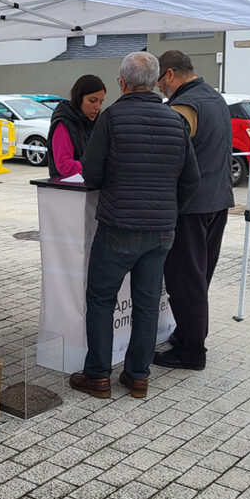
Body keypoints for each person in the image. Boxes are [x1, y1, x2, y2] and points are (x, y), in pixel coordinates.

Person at [70, 52, 199, 400]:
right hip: (160, 232)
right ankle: (138, 376)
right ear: (156, 82)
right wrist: (169, 210)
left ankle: (97, 375)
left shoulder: (111, 118)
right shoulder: (175, 121)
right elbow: (191, 180)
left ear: (122, 83)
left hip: (117, 227)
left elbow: (92, 174)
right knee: (146, 302)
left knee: (100, 300)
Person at [154, 50, 234, 371]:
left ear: (171, 74)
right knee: (200, 278)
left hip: (191, 208)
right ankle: (189, 334)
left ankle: (190, 351)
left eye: (160, 81)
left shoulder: (183, 107)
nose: (160, 88)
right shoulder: (215, 98)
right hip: (218, 202)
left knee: (186, 281)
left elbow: (172, 159)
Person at [46, 75, 107, 177]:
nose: (97, 107)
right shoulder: (63, 124)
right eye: (92, 100)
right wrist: (96, 167)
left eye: (101, 102)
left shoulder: (95, 123)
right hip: (67, 190)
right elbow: (64, 166)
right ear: (79, 98)